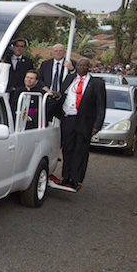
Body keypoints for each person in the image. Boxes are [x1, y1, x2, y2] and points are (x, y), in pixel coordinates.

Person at [50, 58, 105, 192]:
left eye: (84, 65)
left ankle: (75, 179)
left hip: (85, 122)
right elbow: (63, 95)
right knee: (68, 149)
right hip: (68, 119)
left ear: (88, 67)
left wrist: (97, 125)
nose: (81, 67)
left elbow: (101, 106)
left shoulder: (96, 83)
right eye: (79, 65)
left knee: (80, 150)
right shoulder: (69, 78)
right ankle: (65, 176)